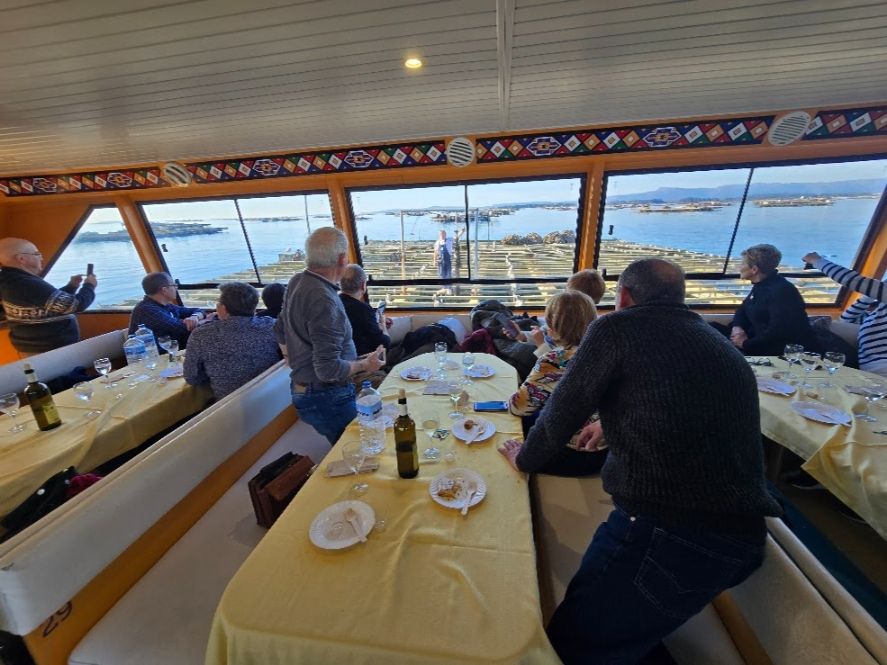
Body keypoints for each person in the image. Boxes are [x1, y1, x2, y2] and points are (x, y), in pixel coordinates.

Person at [498, 258, 780, 665]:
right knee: (621, 636)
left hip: (672, 533)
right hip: (741, 535)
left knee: (569, 646)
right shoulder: (712, 338)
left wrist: (525, 458)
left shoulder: (616, 327)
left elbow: (562, 409)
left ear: (623, 297)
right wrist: (611, 429)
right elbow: (689, 404)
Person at [275, 227, 385, 444]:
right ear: (343, 259)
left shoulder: (297, 280)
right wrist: (365, 365)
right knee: (363, 447)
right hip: (326, 397)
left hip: (304, 390)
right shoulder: (324, 300)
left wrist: (293, 360)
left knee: (354, 446)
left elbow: (279, 329)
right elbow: (328, 370)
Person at [508, 291, 605, 476]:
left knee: (503, 439)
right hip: (604, 453)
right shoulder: (609, 351)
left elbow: (519, 407)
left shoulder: (554, 359)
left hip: (572, 456)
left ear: (552, 327)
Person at [183, 282, 280, 400]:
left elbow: (191, 377)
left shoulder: (201, 335)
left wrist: (214, 371)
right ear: (254, 307)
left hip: (232, 406)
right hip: (275, 394)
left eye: (218, 302)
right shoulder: (272, 325)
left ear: (223, 308)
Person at [0, 237, 97, 355]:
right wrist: (89, 286)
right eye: (36, 254)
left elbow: (45, 302)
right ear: (21, 258)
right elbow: (76, 305)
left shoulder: (9, 280)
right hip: (49, 352)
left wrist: (71, 287)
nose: (41, 257)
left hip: (38, 350)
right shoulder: (25, 283)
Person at [723, 244, 818, 355]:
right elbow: (743, 308)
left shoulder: (782, 291)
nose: (739, 267)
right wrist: (737, 327)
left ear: (754, 269)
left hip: (777, 350)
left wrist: (745, 344)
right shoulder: (761, 285)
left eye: (742, 263)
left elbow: (778, 331)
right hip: (755, 341)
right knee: (709, 329)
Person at [803, 251, 887, 376]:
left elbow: (853, 280)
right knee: (818, 324)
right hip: (868, 354)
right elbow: (845, 319)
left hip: (880, 366)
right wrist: (870, 294)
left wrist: (816, 260)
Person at [128, 272, 207, 348]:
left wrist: (195, 316)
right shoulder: (146, 310)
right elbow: (182, 328)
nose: (176, 288)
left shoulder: (166, 305)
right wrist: (206, 320)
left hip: (172, 351)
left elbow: (199, 310)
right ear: (164, 290)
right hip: (154, 357)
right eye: (174, 285)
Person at [339, 264, 391, 356]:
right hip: (363, 360)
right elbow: (384, 344)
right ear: (363, 285)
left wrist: (375, 324)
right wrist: (383, 325)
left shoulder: (334, 304)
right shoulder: (363, 310)